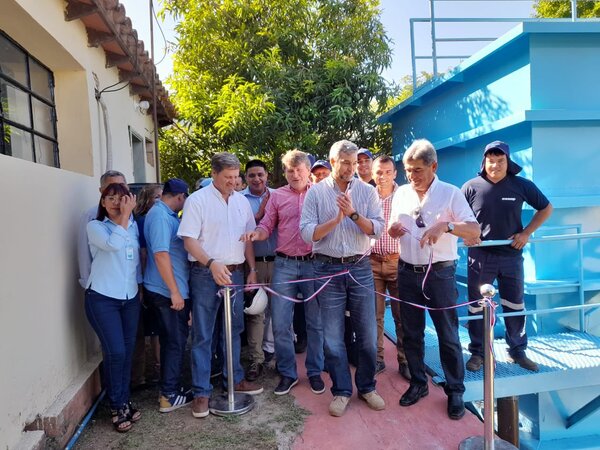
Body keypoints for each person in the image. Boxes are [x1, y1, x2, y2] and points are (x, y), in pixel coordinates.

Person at [388, 139, 480, 420]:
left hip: (439, 273)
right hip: (407, 271)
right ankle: (419, 382)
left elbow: (474, 230)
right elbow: (392, 229)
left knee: (447, 334)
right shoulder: (401, 193)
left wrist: (446, 226)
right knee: (411, 332)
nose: (411, 176)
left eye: (417, 170)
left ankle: (455, 389)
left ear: (434, 166)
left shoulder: (451, 193)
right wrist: (393, 230)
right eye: (408, 170)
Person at [300, 139, 385, 417]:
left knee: (368, 335)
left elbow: (377, 229)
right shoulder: (315, 193)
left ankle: (367, 387)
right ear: (333, 162)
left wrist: (352, 214)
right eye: (345, 162)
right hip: (326, 270)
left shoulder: (367, 192)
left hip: (359, 268)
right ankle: (342, 391)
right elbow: (307, 233)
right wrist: (336, 220)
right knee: (333, 337)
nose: (351, 168)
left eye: (355, 162)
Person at [178, 152, 263, 419]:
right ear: (214, 174)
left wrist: (251, 270)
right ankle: (201, 392)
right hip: (205, 274)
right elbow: (189, 240)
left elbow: (247, 240)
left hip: (235, 274)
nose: (233, 182)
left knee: (234, 329)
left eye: (236, 177)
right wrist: (211, 263)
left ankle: (234, 380)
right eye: (228, 177)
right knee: (203, 333)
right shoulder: (197, 200)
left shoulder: (241, 201)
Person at [462, 140, 553, 372]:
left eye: (500, 161)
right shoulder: (471, 187)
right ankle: (478, 353)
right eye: (491, 161)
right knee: (477, 306)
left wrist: (526, 232)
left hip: (511, 255)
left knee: (515, 304)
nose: (495, 165)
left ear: (508, 162)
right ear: (484, 162)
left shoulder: (521, 185)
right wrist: (465, 234)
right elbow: (455, 216)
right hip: (480, 257)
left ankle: (517, 351)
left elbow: (546, 208)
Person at [241, 150, 325, 396]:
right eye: (290, 170)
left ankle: (315, 372)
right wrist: (257, 233)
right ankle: (288, 373)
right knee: (280, 322)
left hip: (313, 264)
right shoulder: (277, 196)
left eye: (299, 170)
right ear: (285, 172)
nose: (295, 174)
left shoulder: (320, 193)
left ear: (308, 171)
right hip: (285, 265)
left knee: (315, 322)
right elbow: (267, 224)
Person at [85, 183, 142, 433]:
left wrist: (139, 288)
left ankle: (124, 399)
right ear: (103, 202)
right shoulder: (95, 226)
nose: (116, 203)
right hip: (102, 298)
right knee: (115, 352)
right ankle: (116, 405)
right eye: (111, 198)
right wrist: (125, 216)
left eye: (121, 198)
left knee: (127, 352)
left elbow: (134, 259)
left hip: (130, 298)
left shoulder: (133, 226)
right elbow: (113, 245)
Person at [143, 178, 193, 412]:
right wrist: (175, 292)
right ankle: (169, 395)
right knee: (174, 342)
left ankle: (169, 388)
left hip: (167, 290)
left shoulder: (163, 214)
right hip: (166, 292)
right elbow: (161, 255)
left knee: (171, 340)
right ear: (181, 197)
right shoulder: (161, 217)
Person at [369, 155, 410, 380]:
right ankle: (377, 359)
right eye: (378, 172)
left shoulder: (405, 195)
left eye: (387, 172)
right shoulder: (367, 195)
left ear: (395, 173)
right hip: (372, 262)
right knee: (374, 315)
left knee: (401, 315)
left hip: (398, 261)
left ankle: (405, 360)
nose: (383, 176)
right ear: (372, 173)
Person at [241, 159, 277, 381]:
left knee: (280, 311)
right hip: (253, 264)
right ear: (246, 177)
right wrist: (261, 213)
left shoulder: (278, 196)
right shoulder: (239, 200)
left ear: (267, 176)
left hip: (280, 263)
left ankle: (279, 357)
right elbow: (242, 232)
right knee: (256, 312)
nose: (256, 179)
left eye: (260, 175)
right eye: (252, 175)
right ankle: (257, 359)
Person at [132, 184, 163, 388]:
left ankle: (156, 368)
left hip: (150, 279)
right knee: (149, 329)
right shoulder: (143, 221)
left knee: (154, 329)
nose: (160, 200)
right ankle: (149, 371)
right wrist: (142, 283)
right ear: (147, 199)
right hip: (147, 280)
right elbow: (143, 254)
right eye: (157, 197)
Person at [78, 170, 127, 289]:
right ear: (101, 191)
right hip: (103, 287)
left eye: (121, 185)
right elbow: (84, 253)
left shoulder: (131, 214)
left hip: (128, 289)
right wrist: (87, 283)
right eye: (111, 186)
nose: (117, 190)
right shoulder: (91, 216)